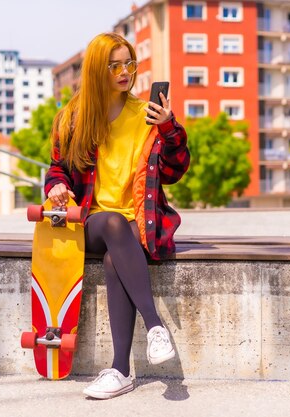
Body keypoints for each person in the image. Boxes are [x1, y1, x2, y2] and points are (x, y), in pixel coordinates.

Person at [43, 32, 190, 400]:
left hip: (137, 225)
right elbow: (57, 169)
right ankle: (155, 325)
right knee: (110, 222)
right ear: (97, 70)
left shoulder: (145, 116)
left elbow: (175, 169)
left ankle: (120, 370)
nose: (126, 72)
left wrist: (169, 128)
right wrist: (55, 189)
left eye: (130, 63)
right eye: (116, 65)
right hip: (90, 222)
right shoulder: (72, 120)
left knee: (115, 257)